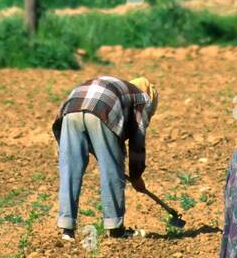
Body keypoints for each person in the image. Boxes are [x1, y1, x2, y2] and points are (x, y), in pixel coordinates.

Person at [52, 75, 158, 240]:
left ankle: (67, 231)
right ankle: (115, 229)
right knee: (112, 172)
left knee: (70, 172)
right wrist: (136, 175)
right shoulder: (143, 98)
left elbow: (61, 115)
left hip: (71, 111)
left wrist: (63, 147)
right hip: (102, 111)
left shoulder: (120, 88)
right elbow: (138, 141)